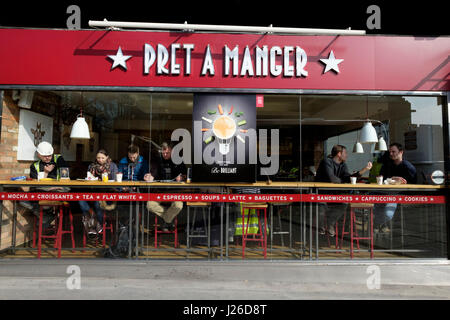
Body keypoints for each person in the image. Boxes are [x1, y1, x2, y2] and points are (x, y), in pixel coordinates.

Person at [315, 144, 372, 236]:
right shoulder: (326, 161)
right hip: (321, 194)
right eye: (345, 153)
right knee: (321, 205)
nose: (347, 155)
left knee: (344, 203)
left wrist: (364, 170)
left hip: (334, 195)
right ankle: (320, 228)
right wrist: (343, 181)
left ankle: (330, 223)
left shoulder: (343, 165)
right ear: (339, 154)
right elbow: (332, 178)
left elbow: (348, 178)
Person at [19, 141, 69, 229]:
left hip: (58, 190)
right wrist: (46, 172)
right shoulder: (34, 166)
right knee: (22, 200)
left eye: (49, 155)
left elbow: (65, 176)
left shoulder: (59, 159)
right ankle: (47, 216)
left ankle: (46, 215)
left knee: (54, 195)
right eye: (44, 156)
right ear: (38, 155)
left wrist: (55, 186)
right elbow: (34, 185)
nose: (47, 158)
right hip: (43, 191)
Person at [374, 142, 417, 233]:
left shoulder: (408, 167)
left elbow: (414, 184)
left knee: (388, 214)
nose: (391, 154)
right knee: (375, 204)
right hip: (384, 192)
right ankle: (381, 224)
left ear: (401, 152)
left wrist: (402, 183)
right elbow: (380, 179)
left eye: (393, 152)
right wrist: (392, 178)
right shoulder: (386, 165)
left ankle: (378, 223)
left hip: (398, 195)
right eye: (390, 152)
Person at [145, 142, 186, 231]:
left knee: (179, 205)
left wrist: (182, 177)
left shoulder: (178, 161)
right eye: (163, 153)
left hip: (174, 193)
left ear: (172, 152)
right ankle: (168, 220)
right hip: (160, 192)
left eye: (167, 153)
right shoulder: (158, 161)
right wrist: (150, 177)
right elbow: (154, 173)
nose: (165, 154)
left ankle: (166, 220)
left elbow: (186, 175)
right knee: (149, 204)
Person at [78, 149, 118, 235]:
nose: (100, 160)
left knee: (97, 202)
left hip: (108, 192)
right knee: (81, 200)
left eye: (102, 158)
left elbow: (115, 181)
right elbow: (89, 178)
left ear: (107, 157)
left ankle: (99, 224)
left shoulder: (112, 166)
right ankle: (92, 217)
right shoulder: (91, 166)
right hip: (93, 191)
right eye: (98, 158)